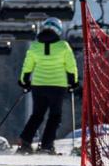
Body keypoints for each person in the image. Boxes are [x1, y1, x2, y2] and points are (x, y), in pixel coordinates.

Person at [17, 16, 79, 154]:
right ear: (58, 31)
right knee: (54, 116)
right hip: (58, 86)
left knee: (37, 114)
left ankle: (25, 141)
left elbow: (27, 66)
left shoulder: (35, 46)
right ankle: (46, 145)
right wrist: (73, 82)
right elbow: (71, 66)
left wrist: (24, 82)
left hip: (38, 85)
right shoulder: (63, 46)